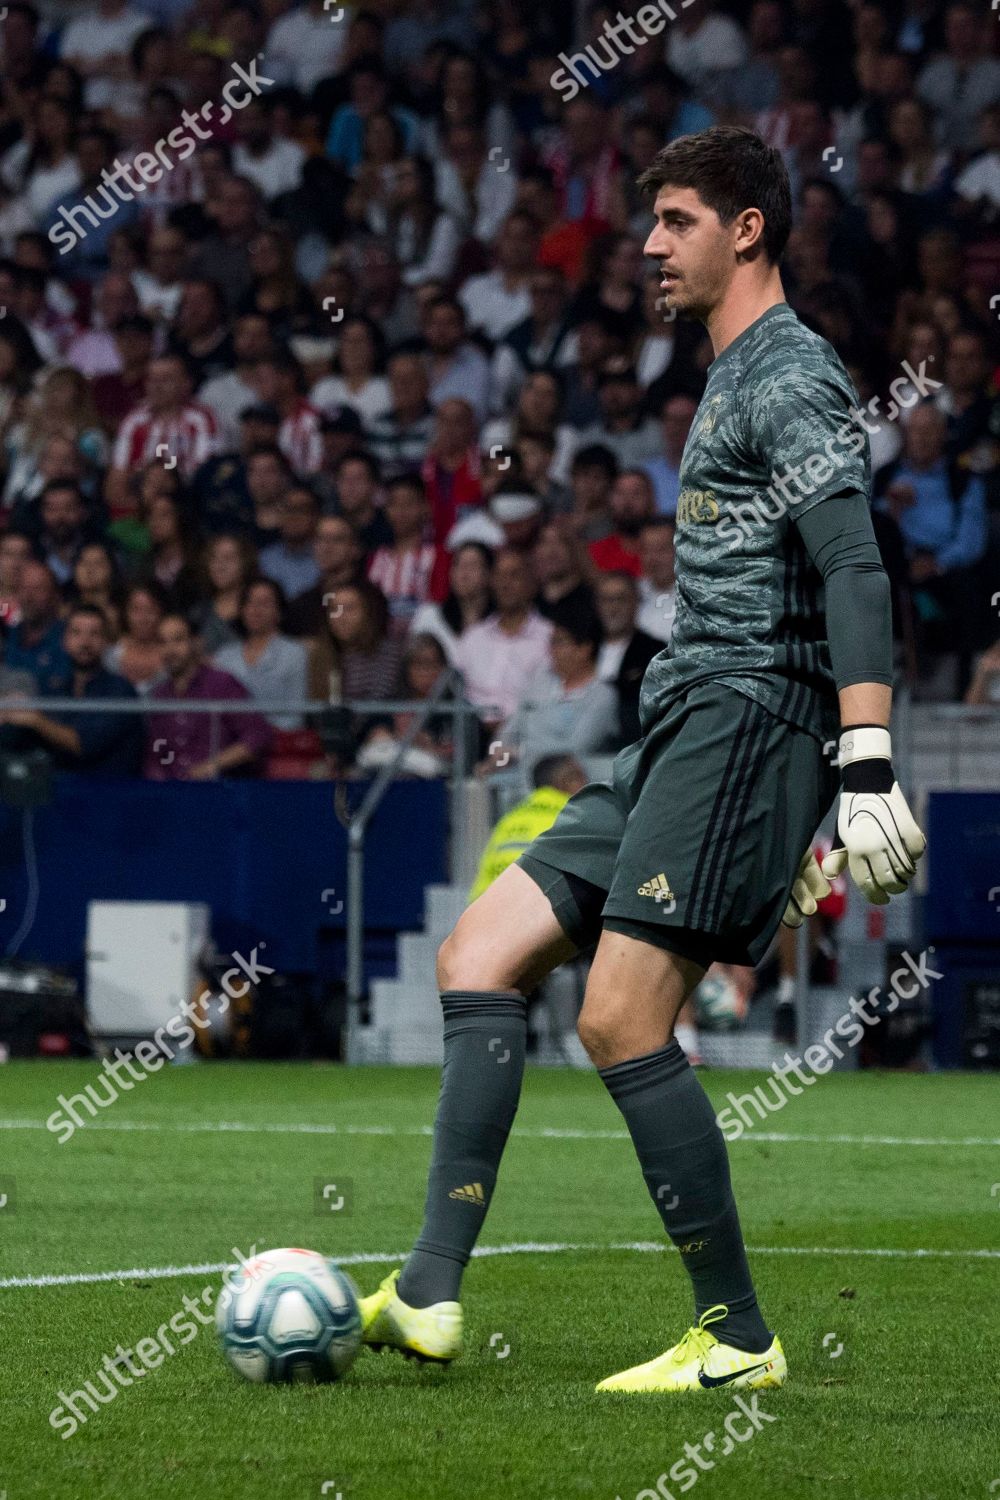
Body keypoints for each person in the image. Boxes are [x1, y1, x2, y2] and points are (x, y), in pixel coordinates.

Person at [355, 126, 926, 1395]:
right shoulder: (726, 373)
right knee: (480, 954)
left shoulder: (788, 375)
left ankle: (735, 1335)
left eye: (674, 220)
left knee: (619, 1019)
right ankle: (434, 1294)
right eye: (651, 221)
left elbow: (849, 565)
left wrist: (863, 762)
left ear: (746, 230)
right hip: (677, 723)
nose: (649, 245)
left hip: (743, 722)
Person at [1, 603, 141, 775]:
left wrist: (34, 719)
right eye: (76, 633)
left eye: (94, 634)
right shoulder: (55, 688)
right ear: (64, 641)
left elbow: (83, 745)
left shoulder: (120, 691)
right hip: (59, 792)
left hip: (110, 793)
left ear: (106, 641)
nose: (85, 642)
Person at [144, 612, 271, 780]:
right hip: (172, 792)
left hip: (218, 790)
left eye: (178, 640)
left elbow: (258, 736)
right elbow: (158, 748)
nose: (170, 650)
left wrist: (211, 766)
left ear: (196, 643)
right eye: (163, 642)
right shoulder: (159, 695)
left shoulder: (222, 684)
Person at [213, 577, 310, 731]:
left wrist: (258, 736)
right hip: (228, 745)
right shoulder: (224, 656)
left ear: (279, 611)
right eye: (249, 602)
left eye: (264, 603)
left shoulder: (294, 653)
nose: (255, 609)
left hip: (278, 744)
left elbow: (296, 716)